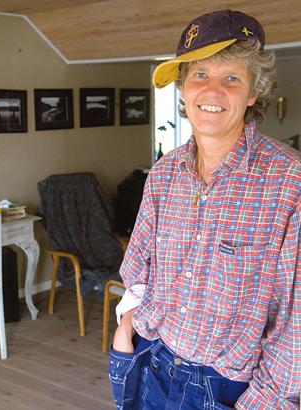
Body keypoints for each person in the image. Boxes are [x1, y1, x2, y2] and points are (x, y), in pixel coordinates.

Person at [109, 9, 300, 410]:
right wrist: (126, 328)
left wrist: (264, 402)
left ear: (253, 93)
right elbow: (138, 271)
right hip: (150, 362)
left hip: (230, 390)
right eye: (199, 75)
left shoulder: (288, 182)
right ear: (182, 89)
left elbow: (294, 321)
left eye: (231, 77)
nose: (211, 91)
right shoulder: (163, 174)